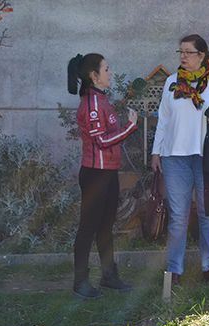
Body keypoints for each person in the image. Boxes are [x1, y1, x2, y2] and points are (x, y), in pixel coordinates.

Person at [151, 34, 209, 285]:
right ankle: (175, 269)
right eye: (181, 52)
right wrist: (156, 151)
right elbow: (163, 119)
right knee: (178, 215)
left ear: (202, 56)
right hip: (174, 156)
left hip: (206, 157)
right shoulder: (171, 83)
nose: (183, 57)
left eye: (188, 52)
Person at [68, 53, 138, 298]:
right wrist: (130, 127)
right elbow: (101, 141)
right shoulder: (92, 105)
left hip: (107, 173)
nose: (110, 72)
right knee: (88, 228)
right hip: (95, 174)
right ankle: (81, 282)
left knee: (106, 226)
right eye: (106, 69)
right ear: (93, 75)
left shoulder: (102, 99)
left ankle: (109, 276)